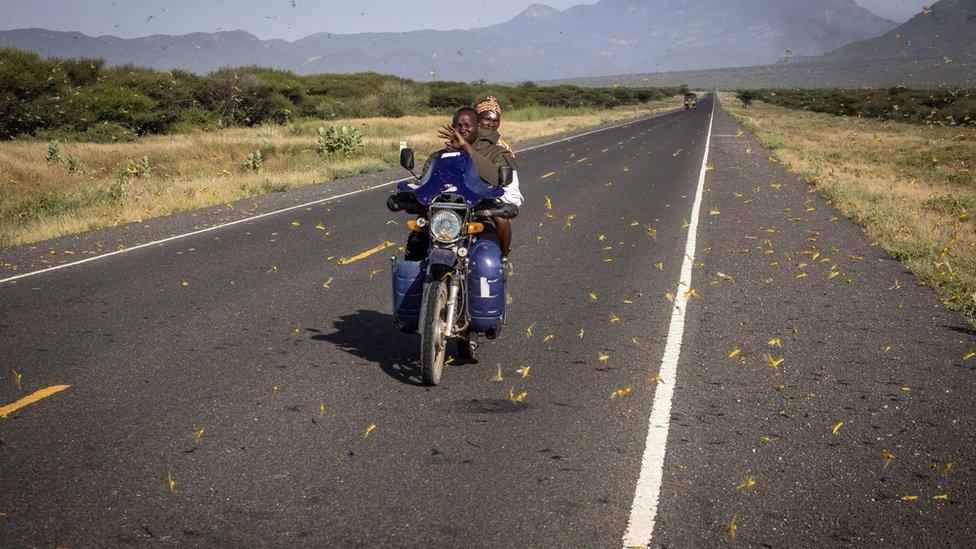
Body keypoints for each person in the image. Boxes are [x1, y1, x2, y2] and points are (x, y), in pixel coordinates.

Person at [402, 106, 519, 261]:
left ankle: (503, 259)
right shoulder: (439, 156)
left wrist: (466, 148)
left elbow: (496, 178)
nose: (462, 129)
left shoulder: (496, 152)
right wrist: (410, 194)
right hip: (443, 214)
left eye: (467, 125)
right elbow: (424, 182)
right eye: (458, 125)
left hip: (478, 211)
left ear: (478, 126)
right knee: (415, 244)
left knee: (493, 245)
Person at [475, 96, 521, 263]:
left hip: (492, 193)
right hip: (464, 192)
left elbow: (509, 184)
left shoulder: (502, 148)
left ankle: (503, 256)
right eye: (487, 119)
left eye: (496, 120)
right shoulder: (463, 139)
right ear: (477, 119)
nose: (491, 124)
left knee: (501, 218)